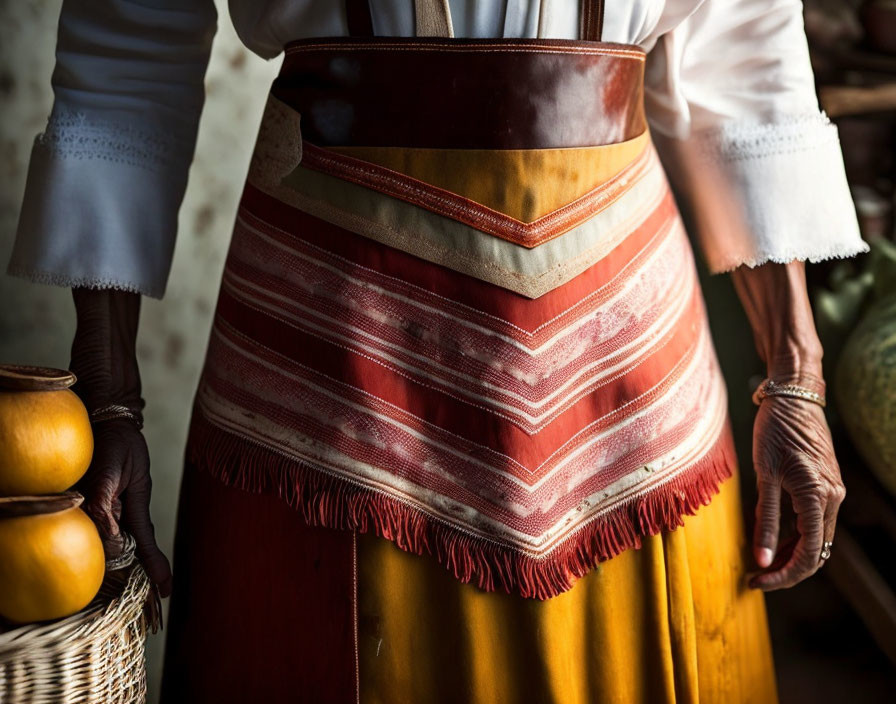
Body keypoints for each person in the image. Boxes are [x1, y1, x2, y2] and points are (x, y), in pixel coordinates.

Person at [7, 1, 867, 702]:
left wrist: (796, 377)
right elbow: (128, 58)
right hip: (318, 376)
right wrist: (108, 397)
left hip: (632, 380)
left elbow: (749, 70)